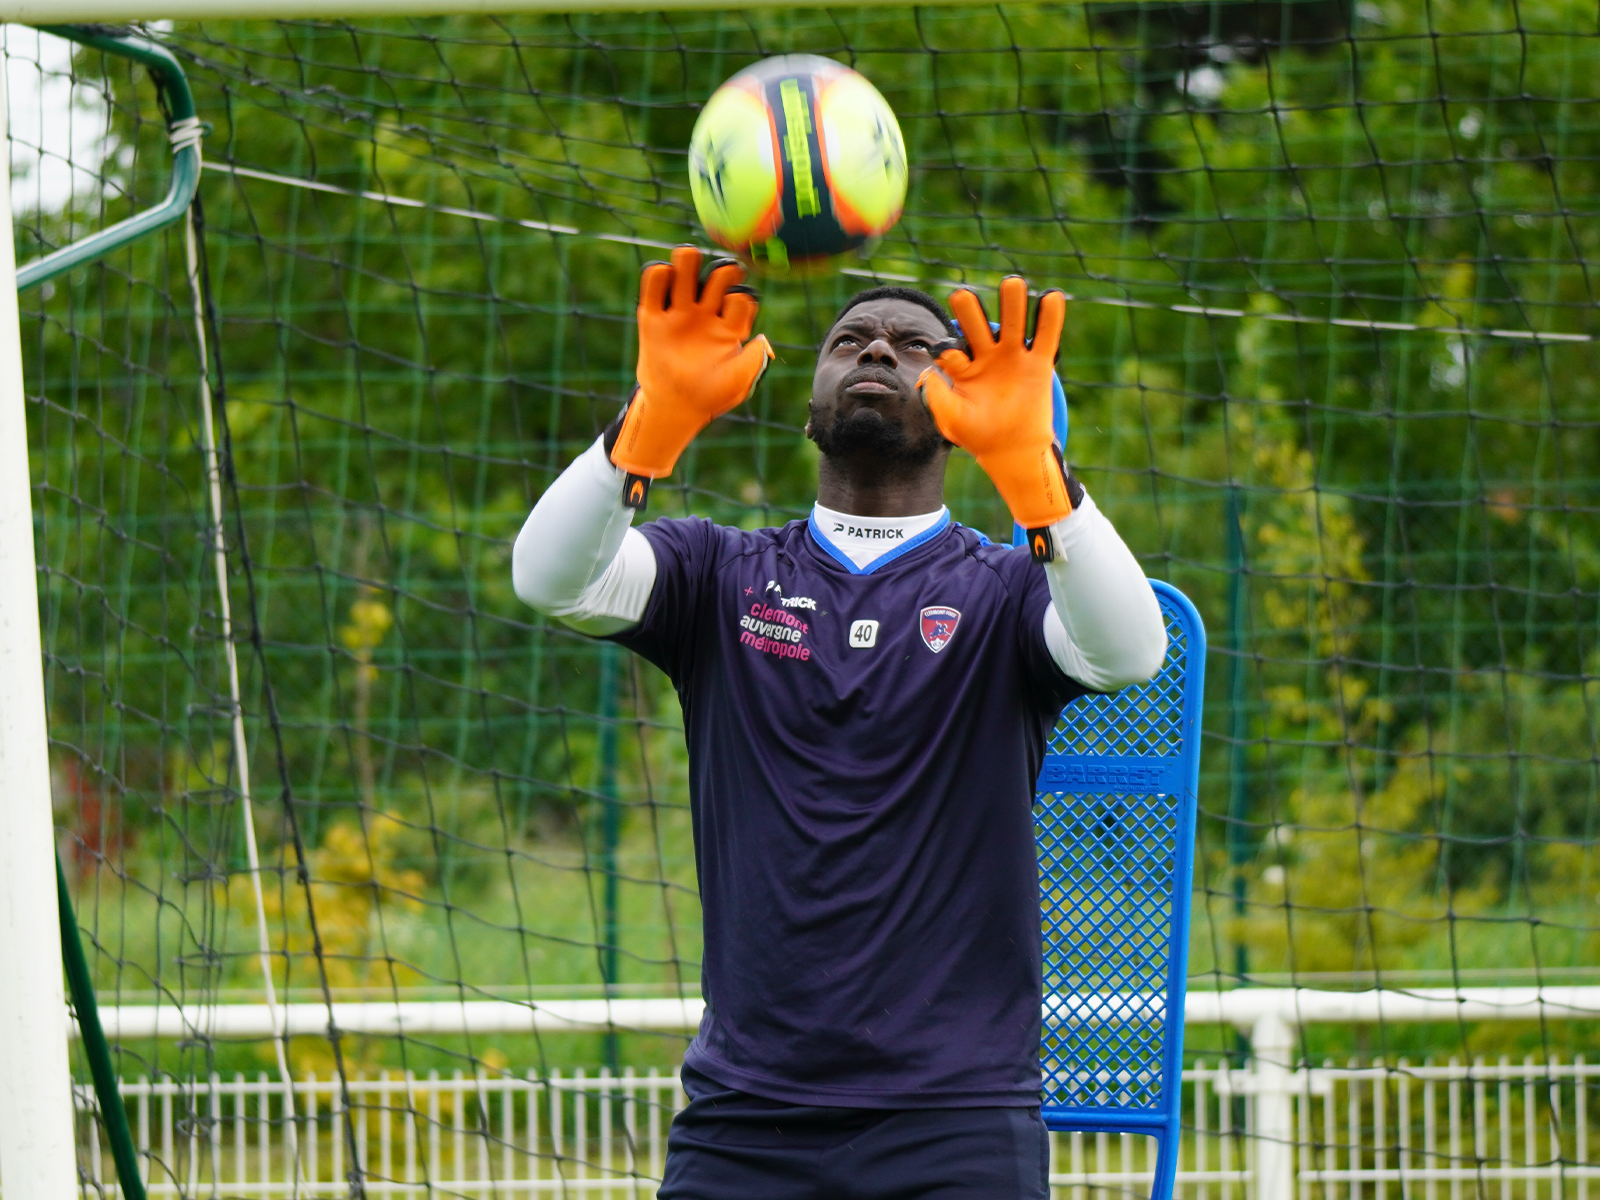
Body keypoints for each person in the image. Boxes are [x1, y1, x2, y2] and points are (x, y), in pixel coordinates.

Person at [512, 246, 1167, 1200]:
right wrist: (641, 432)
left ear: (959, 405)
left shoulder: (1005, 589)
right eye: (850, 338)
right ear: (810, 392)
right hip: (747, 1111)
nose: (878, 352)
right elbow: (548, 579)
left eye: (915, 346)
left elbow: (1131, 650)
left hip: (959, 1117)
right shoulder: (717, 572)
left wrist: (1040, 479)